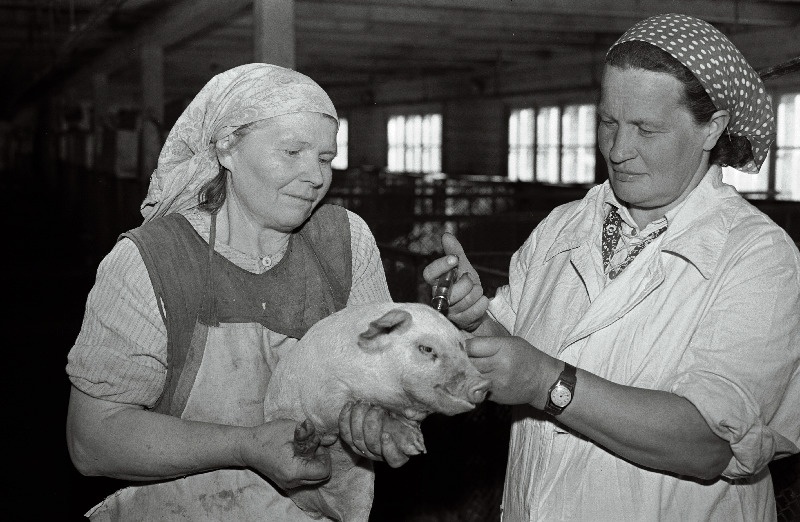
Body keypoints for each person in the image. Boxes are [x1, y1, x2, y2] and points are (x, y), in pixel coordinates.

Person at [424, 13, 800, 521]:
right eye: (608, 122)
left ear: (711, 128)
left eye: (647, 129)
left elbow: (708, 442)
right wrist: (474, 321)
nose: (619, 151)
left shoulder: (758, 256)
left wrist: (546, 383)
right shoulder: (563, 227)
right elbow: (513, 356)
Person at [66, 63, 417, 521]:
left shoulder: (345, 243)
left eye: (325, 158)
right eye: (292, 152)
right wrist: (245, 446)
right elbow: (91, 441)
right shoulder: (152, 261)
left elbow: (383, 375)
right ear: (227, 148)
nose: (315, 176)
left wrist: (384, 413)